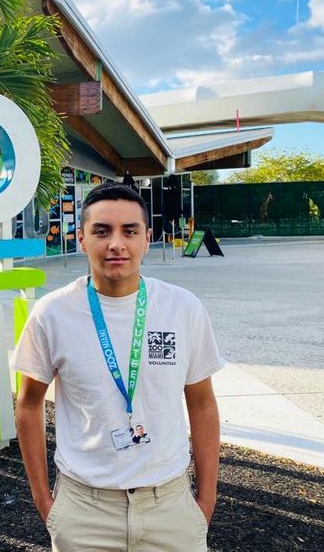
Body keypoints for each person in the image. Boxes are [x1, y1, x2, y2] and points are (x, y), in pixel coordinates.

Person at [12, 182, 224, 552]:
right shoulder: (52, 314)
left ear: (147, 238)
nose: (116, 244)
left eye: (130, 231)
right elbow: (29, 404)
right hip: (84, 510)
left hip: (169, 507)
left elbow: (202, 403)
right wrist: (45, 502)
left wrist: (205, 503)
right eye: (101, 231)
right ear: (81, 239)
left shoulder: (183, 308)